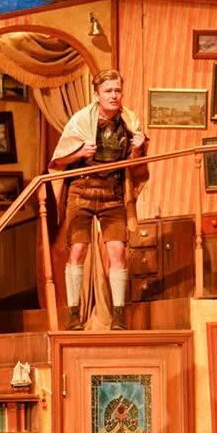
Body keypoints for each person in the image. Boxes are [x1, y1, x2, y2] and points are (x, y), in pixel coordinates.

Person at [50, 69, 149, 330]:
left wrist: (137, 150)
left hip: (112, 193)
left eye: (117, 90)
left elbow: (133, 166)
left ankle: (118, 315)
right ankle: (73, 315)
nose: (114, 96)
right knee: (78, 249)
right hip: (82, 192)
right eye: (108, 91)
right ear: (96, 95)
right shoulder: (80, 120)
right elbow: (58, 160)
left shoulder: (129, 121)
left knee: (117, 250)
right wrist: (79, 153)